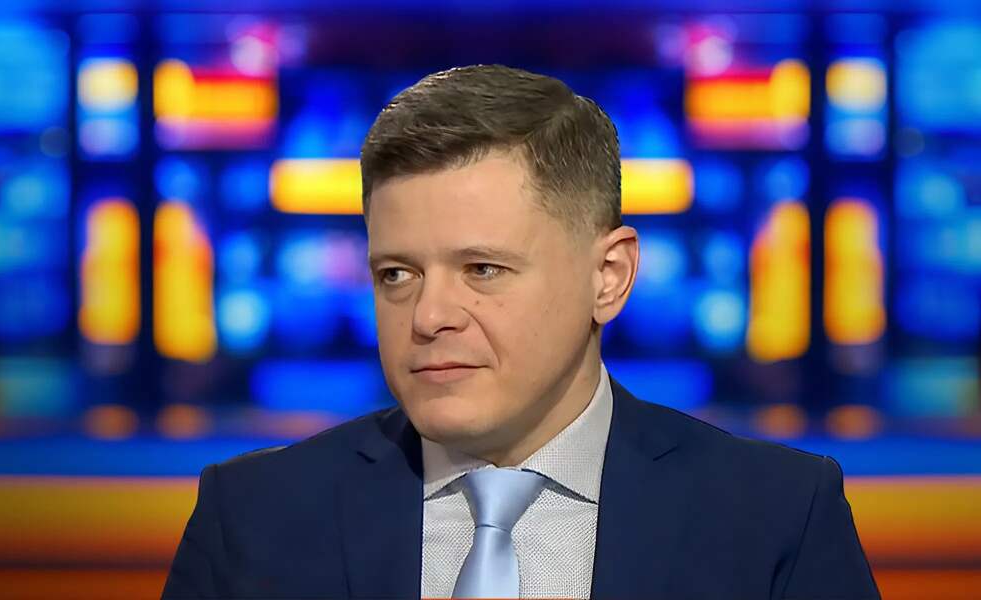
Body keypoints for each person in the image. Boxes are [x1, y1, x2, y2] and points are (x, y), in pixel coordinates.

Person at [162, 64, 880, 600]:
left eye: (482, 269)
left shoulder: (777, 516)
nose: (428, 316)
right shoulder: (252, 517)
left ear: (609, 277)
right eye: (396, 274)